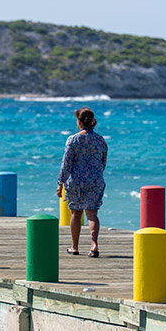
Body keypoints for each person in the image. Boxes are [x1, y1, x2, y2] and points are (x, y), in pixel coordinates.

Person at [57, 107, 108, 257]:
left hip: (77, 181)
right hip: (95, 180)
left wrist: (60, 183)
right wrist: (95, 174)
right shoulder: (100, 140)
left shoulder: (73, 140)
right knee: (92, 213)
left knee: (76, 213)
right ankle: (94, 245)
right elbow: (103, 162)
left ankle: (74, 247)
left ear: (79, 122)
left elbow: (66, 164)